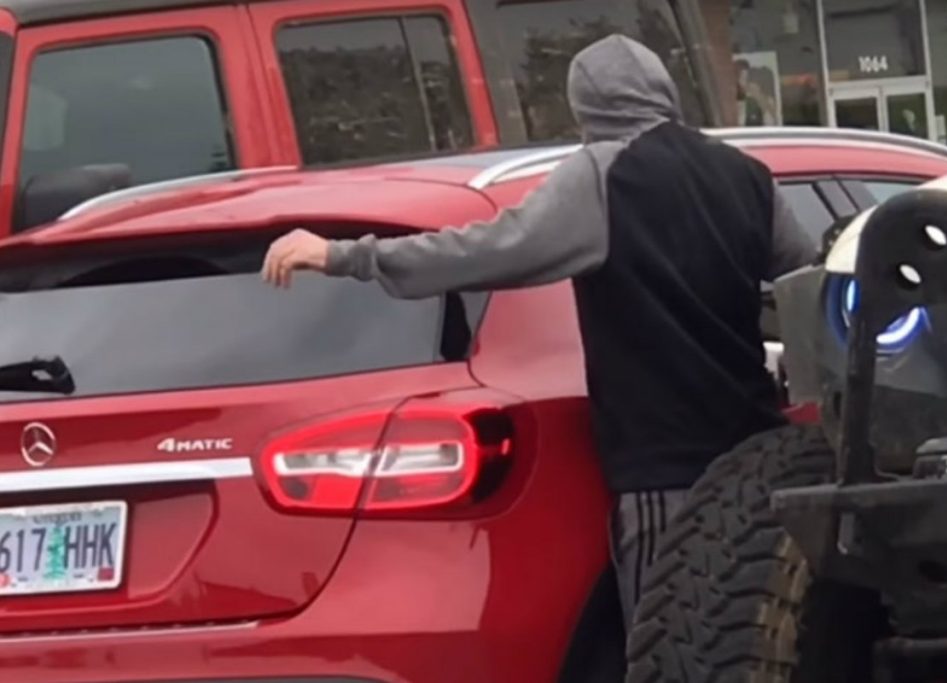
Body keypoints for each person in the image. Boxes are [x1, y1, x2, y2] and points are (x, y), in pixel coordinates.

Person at [262, 34, 817, 628]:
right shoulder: (745, 174)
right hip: (756, 456)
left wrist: (346, 256)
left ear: (586, 108)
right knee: (758, 644)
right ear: (664, 90)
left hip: (664, 468)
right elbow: (809, 281)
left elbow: (489, 250)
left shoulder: (602, 176)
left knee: (672, 644)